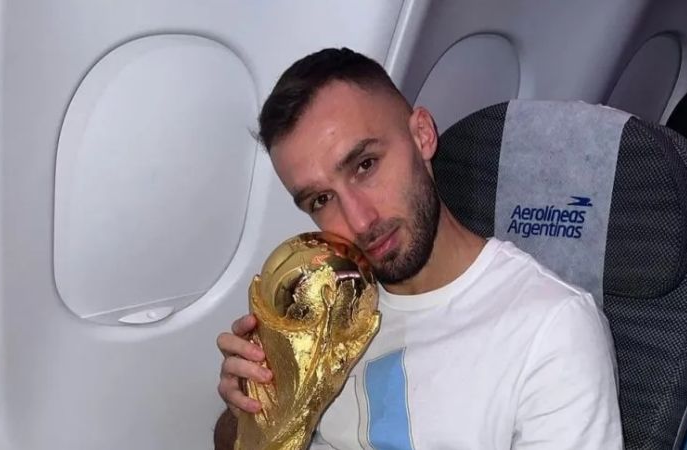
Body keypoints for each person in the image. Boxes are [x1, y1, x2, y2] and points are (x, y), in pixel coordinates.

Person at [214, 47, 622, 449]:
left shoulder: (550, 329)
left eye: (365, 165)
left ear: (422, 134)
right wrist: (251, 410)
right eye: (321, 200)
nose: (359, 221)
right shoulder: (325, 303)